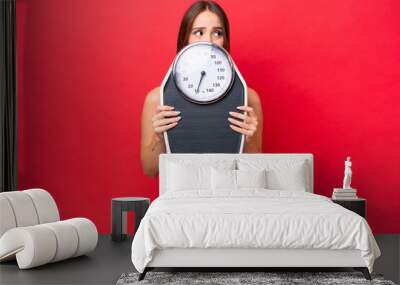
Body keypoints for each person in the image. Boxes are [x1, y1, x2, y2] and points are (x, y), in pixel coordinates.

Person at [140, 0, 263, 177]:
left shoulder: (248, 98)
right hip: (181, 198)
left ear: (225, 41)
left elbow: (254, 172)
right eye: (199, 32)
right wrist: (159, 137)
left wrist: (249, 140)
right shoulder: (158, 98)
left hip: (231, 197)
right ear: (185, 40)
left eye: (217, 33)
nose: (209, 41)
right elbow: (150, 171)